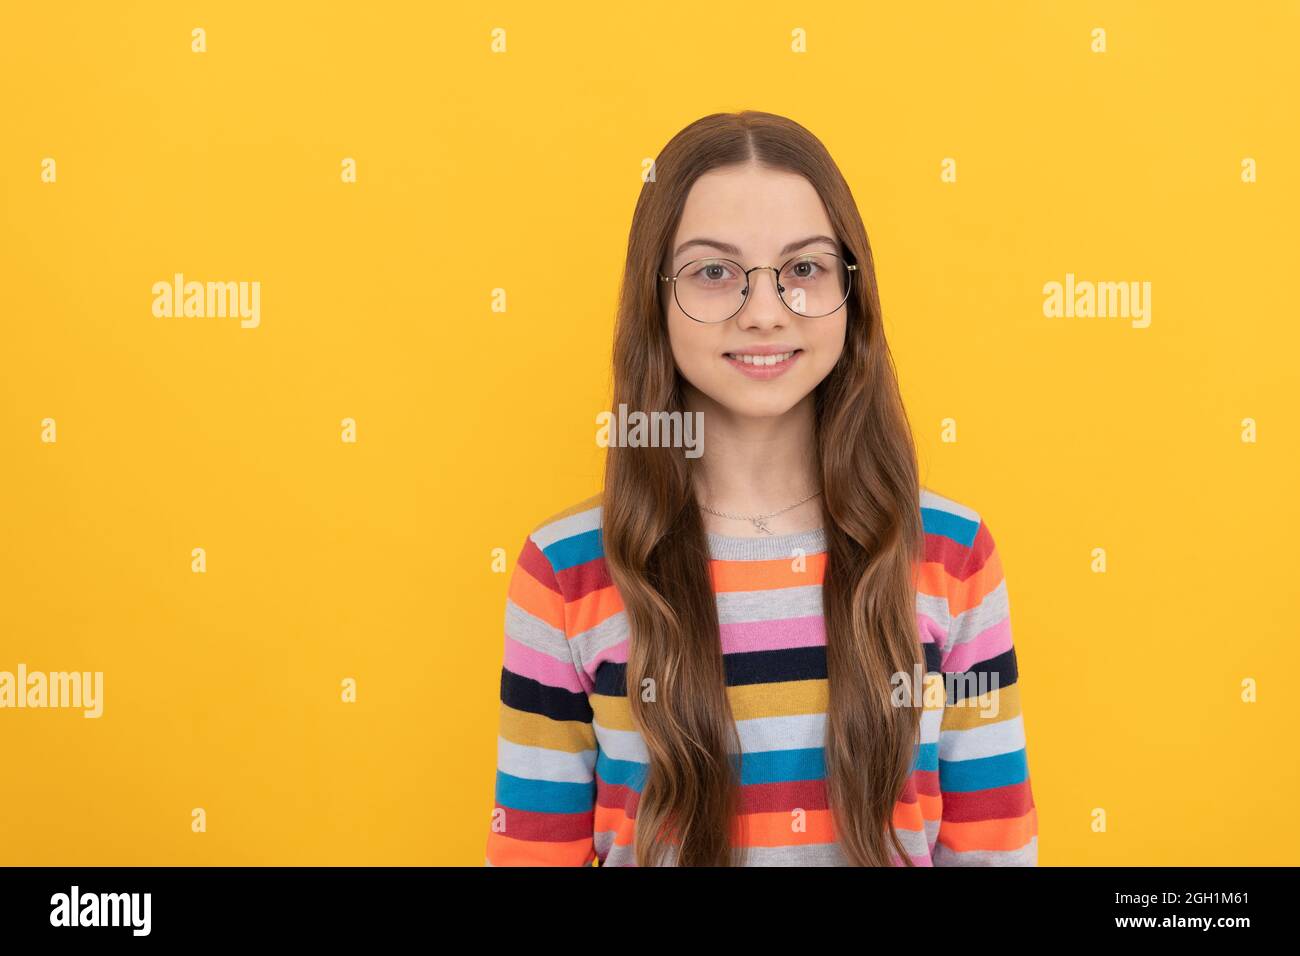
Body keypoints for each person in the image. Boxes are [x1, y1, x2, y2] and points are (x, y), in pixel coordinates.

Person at [485, 110, 1037, 866]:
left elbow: (994, 850)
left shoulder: (954, 557)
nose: (765, 312)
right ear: (657, 296)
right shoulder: (565, 570)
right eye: (715, 272)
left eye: (804, 269)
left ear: (852, 291)